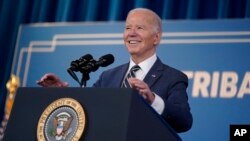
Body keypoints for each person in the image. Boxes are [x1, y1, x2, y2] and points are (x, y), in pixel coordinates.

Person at [37, 8, 193, 133]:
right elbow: (88, 107)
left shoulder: (173, 77)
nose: (132, 33)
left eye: (139, 28)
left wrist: (152, 99)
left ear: (156, 38)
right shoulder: (108, 76)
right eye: (128, 28)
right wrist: (62, 92)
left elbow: (184, 121)